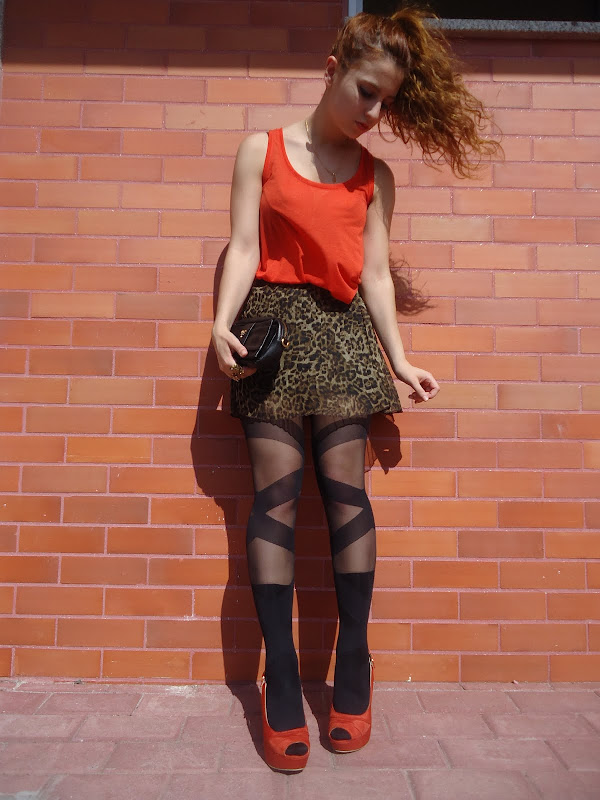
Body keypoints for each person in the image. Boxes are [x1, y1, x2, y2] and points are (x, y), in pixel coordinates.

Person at [211, 6, 499, 773]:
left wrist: (399, 359)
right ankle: (279, 678)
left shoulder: (376, 176)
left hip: (343, 338)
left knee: (346, 499)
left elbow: (373, 275)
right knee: (274, 501)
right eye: (366, 92)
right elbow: (242, 245)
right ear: (333, 69)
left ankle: (356, 663)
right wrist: (219, 325)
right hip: (273, 332)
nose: (374, 113)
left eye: (387, 103)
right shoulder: (262, 150)